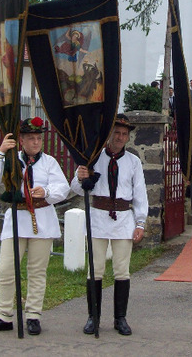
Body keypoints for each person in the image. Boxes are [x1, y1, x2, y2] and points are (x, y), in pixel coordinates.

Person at [0, 117, 71, 336]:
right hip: (17, 219)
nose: (36, 142)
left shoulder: (49, 162)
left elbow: (63, 188)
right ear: (21, 140)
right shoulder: (11, 159)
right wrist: (1, 151)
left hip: (42, 218)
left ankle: (33, 316)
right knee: (6, 269)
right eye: (31, 138)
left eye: (39, 138)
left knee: (37, 271)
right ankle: (3, 315)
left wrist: (46, 192)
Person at [71, 114, 149, 336]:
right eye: (117, 133)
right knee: (95, 269)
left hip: (124, 219)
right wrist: (81, 176)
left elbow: (140, 194)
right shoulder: (93, 157)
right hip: (98, 217)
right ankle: (92, 317)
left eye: (124, 134)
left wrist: (140, 222)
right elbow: (76, 188)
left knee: (122, 270)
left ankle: (120, 318)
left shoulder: (133, 162)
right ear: (109, 134)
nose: (120, 137)